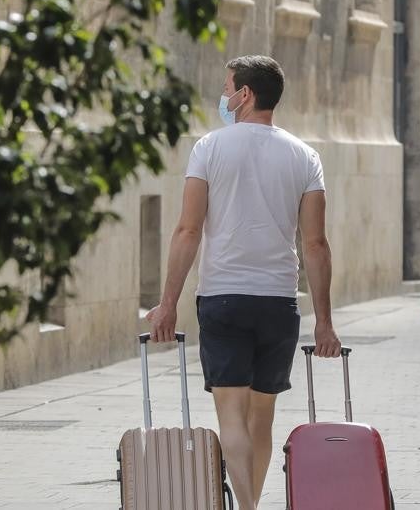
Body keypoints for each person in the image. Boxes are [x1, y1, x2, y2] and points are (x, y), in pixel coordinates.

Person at [146, 55, 342, 510]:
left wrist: (167, 303)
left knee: (230, 416)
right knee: (262, 420)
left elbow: (188, 230)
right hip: (278, 301)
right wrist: (325, 323)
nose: (224, 95)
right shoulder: (305, 156)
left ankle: (249, 509)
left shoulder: (209, 149)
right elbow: (315, 244)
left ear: (245, 94)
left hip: (223, 298)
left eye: (228, 86)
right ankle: (251, 504)